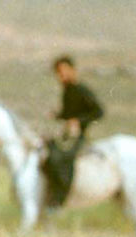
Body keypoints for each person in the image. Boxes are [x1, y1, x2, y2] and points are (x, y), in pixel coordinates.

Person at [42, 55, 104, 207]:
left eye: (63, 71)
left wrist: (78, 121)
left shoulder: (81, 90)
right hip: (67, 135)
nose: (60, 75)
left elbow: (99, 112)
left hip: (79, 136)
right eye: (58, 72)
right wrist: (58, 115)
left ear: (72, 70)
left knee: (59, 158)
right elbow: (68, 114)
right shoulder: (67, 91)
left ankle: (61, 196)